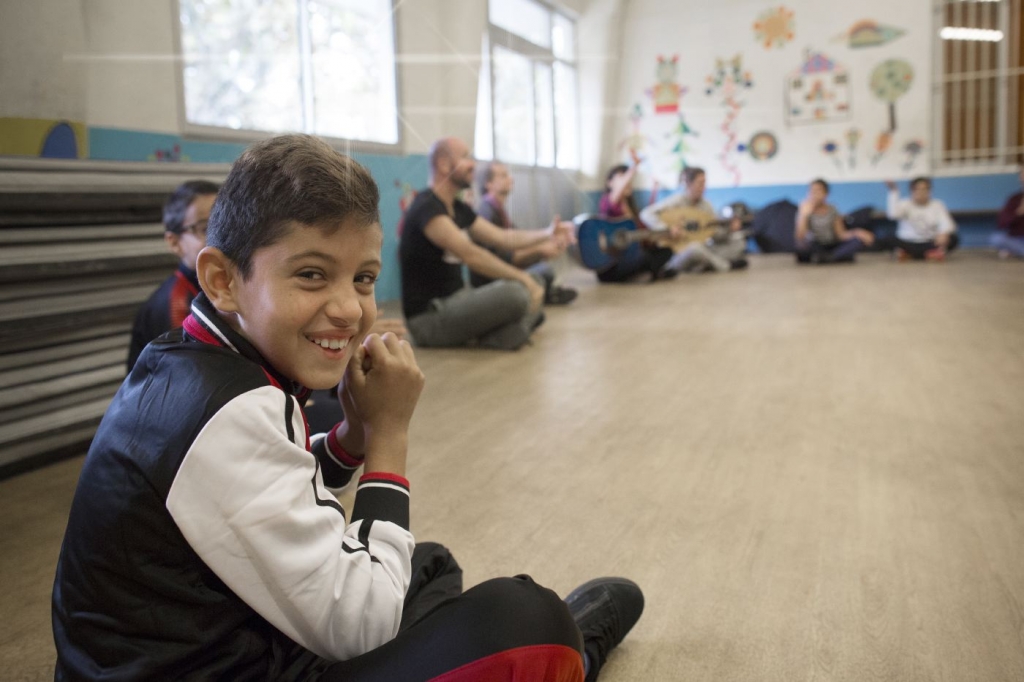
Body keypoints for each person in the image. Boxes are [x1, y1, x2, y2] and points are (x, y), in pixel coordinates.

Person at [52, 134, 643, 681]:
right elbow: (362, 625)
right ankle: (576, 658)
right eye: (311, 274)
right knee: (531, 622)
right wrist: (387, 435)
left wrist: (350, 439)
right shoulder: (227, 411)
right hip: (228, 662)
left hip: (223, 633)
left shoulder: (193, 356)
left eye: (363, 278)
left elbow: (266, 478)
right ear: (223, 279)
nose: (349, 309)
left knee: (428, 565)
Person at [400, 137, 574, 350]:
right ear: (444, 164)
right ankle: (504, 334)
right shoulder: (427, 207)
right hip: (430, 319)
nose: (473, 164)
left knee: (537, 279)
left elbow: (503, 238)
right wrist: (523, 279)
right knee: (518, 292)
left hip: (459, 300)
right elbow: (471, 254)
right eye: (465, 157)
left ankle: (502, 334)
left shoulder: (458, 208)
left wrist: (547, 233)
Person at [126, 180, 218, 372]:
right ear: (174, 242)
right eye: (205, 228)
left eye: (224, 223)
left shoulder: (222, 287)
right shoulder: (176, 307)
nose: (219, 236)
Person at [472, 160, 578, 305]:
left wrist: (549, 240)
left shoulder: (498, 210)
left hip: (504, 271)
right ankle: (545, 294)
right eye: (503, 175)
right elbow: (506, 259)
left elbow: (518, 239)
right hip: (492, 279)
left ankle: (544, 293)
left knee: (543, 271)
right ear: (488, 184)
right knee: (543, 272)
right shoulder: (487, 212)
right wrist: (540, 250)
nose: (511, 178)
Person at [640, 166, 748, 273]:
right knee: (695, 248)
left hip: (703, 248)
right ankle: (725, 266)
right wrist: (668, 228)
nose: (704, 187)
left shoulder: (706, 206)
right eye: (700, 183)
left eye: (704, 183)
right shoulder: (677, 201)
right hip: (679, 253)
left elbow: (715, 234)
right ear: (688, 184)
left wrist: (729, 229)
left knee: (739, 242)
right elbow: (645, 214)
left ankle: (704, 264)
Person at [595, 154, 675, 282]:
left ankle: (645, 274)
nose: (627, 182)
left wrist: (665, 233)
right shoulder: (608, 202)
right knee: (643, 257)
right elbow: (618, 192)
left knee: (666, 251)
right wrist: (634, 167)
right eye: (622, 178)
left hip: (631, 257)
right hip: (610, 266)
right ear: (609, 183)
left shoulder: (631, 207)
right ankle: (649, 274)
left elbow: (644, 234)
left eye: (628, 179)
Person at [795, 178, 875, 264]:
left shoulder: (833, 209)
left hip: (832, 245)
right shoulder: (804, 209)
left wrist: (858, 233)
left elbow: (841, 234)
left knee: (857, 242)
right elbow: (800, 237)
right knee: (801, 248)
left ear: (826, 193)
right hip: (815, 245)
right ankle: (834, 257)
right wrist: (803, 216)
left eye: (818, 191)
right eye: (812, 191)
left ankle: (830, 257)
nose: (814, 194)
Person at [884, 177, 959, 261]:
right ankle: (928, 254)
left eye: (924, 189)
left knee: (953, 238)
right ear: (912, 191)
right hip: (908, 242)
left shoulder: (937, 204)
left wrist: (944, 233)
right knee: (888, 239)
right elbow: (892, 215)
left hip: (929, 242)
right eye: (917, 189)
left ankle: (909, 254)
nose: (921, 192)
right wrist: (893, 191)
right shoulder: (905, 204)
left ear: (929, 191)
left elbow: (947, 223)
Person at [992, 166, 1024, 259]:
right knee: (997, 238)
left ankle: (1014, 252)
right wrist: (1019, 212)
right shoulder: (1015, 199)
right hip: (1017, 239)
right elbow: (1001, 223)